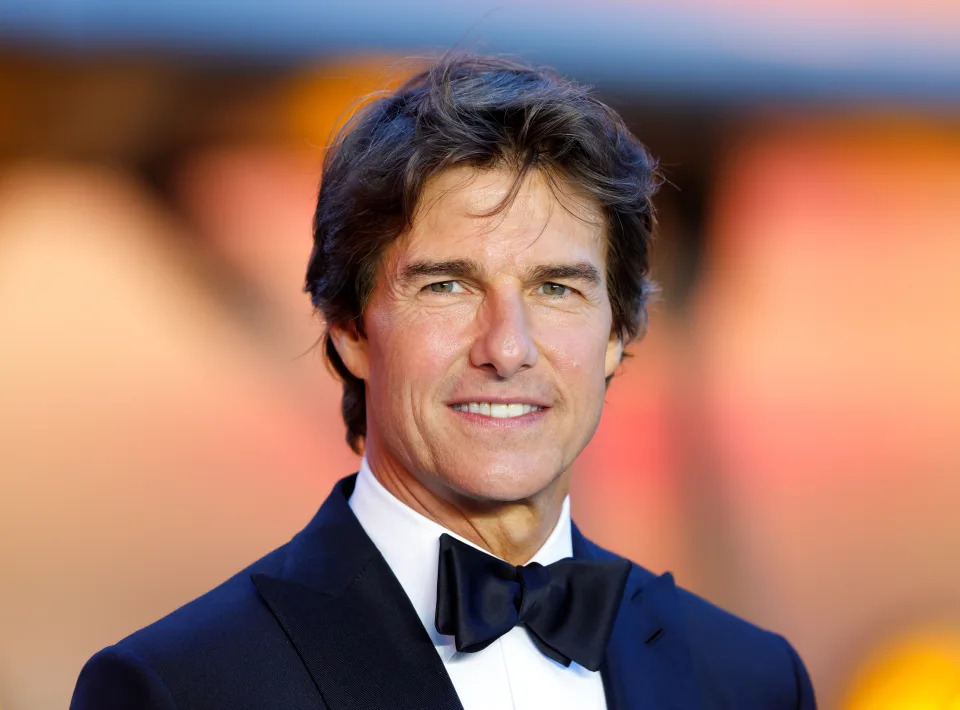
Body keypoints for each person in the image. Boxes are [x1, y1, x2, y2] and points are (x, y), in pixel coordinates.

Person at [71, 54, 816, 709]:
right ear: (350, 328)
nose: (508, 348)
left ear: (619, 334)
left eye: (557, 289)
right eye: (448, 286)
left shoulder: (751, 683)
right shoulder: (181, 689)